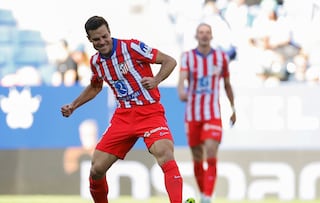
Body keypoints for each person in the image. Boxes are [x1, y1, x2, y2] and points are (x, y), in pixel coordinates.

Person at [61, 16, 183, 203]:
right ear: (89, 39)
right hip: (123, 117)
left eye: (104, 36)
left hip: (150, 111)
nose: (101, 42)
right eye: (96, 39)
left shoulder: (131, 47)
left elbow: (170, 61)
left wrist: (156, 80)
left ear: (109, 32)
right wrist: (74, 105)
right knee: (96, 169)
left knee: (165, 154)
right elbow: (95, 87)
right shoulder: (96, 62)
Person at [177, 23, 236, 203]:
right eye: (201, 32)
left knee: (210, 151)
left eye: (207, 33)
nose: (204, 35)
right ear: (196, 36)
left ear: (211, 36)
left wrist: (233, 108)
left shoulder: (221, 58)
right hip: (193, 114)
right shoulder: (187, 57)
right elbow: (182, 80)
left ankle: (207, 197)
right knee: (197, 156)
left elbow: (226, 84)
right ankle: (203, 193)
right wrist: (181, 91)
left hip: (212, 114)